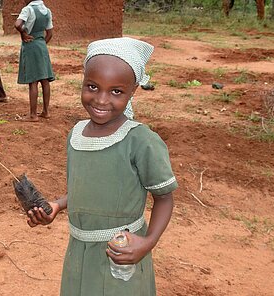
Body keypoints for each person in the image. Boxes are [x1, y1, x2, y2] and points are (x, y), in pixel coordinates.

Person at [26, 37, 178, 295]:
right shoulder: (76, 135)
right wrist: (57, 206)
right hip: (79, 252)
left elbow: (164, 198)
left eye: (116, 91)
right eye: (92, 87)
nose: (101, 99)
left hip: (120, 254)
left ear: (133, 92)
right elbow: (86, 189)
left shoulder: (141, 142)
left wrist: (147, 243)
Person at [14, 0, 54, 122]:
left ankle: (33, 115)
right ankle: (46, 111)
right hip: (42, 45)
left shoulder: (28, 9)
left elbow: (17, 24)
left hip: (30, 45)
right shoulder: (47, 10)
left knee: (33, 81)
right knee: (45, 79)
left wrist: (24, 33)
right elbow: (50, 32)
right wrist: (41, 42)